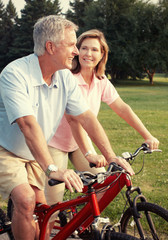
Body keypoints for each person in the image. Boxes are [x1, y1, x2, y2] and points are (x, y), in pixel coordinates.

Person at [0, 17, 134, 240]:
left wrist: (111, 157)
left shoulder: (64, 77)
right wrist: (53, 169)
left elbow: (87, 118)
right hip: (7, 149)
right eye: (71, 44)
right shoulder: (14, 74)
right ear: (50, 47)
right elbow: (28, 125)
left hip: (34, 152)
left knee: (41, 213)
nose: (76, 51)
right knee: (25, 200)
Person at [46, 29, 159, 211]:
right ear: (77, 50)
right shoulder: (68, 78)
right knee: (53, 204)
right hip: (54, 143)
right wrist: (90, 153)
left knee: (104, 184)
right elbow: (74, 121)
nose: (88, 54)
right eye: (84, 48)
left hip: (78, 144)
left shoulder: (101, 80)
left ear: (102, 54)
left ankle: (81, 223)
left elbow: (122, 108)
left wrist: (147, 135)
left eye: (94, 49)